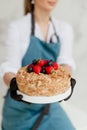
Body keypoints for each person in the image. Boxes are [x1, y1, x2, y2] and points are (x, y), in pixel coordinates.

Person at [0, 0, 76, 130]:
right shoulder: (18, 27)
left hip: (49, 106)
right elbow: (10, 68)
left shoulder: (64, 29)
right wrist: (14, 84)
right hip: (19, 108)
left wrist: (65, 80)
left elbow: (65, 62)